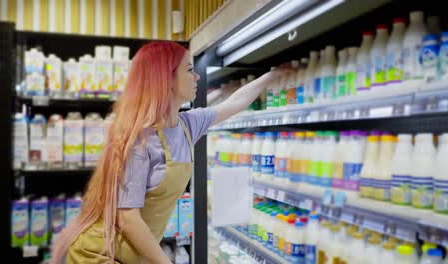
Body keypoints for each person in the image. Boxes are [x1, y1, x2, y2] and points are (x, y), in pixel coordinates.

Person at [51, 41, 286, 264]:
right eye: (190, 70)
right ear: (167, 78)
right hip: (99, 255)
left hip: (130, 254)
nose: (197, 76)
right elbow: (128, 217)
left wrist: (274, 74)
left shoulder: (186, 125)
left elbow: (235, 103)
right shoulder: (140, 140)